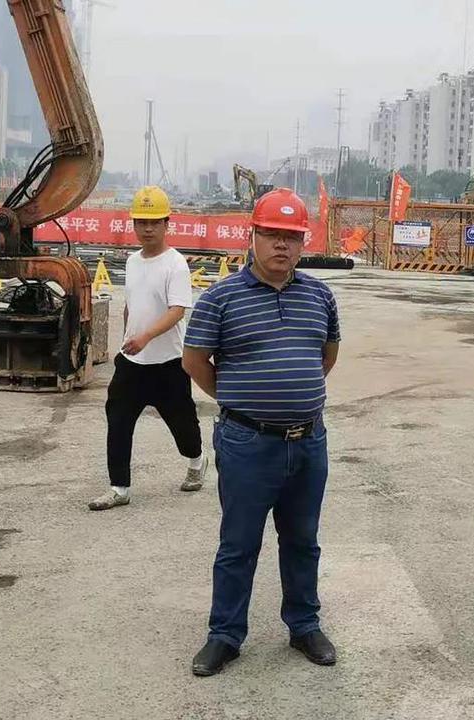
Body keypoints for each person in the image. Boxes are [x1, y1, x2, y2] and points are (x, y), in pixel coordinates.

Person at [183, 188, 341, 677]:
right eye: (272, 234)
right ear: (252, 236)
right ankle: (225, 635)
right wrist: (242, 400)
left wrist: (292, 392)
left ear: (303, 242)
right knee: (238, 543)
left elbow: (327, 355)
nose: (282, 245)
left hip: (308, 442)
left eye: (292, 237)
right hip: (247, 444)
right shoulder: (220, 298)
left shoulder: (320, 295)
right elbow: (195, 362)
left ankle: (304, 626)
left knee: (303, 540)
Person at [88, 186, 206, 511]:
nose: (148, 229)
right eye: (141, 222)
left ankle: (197, 461)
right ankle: (119, 488)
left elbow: (177, 310)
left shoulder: (175, 264)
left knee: (182, 424)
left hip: (169, 363)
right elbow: (132, 304)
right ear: (134, 225)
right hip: (132, 363)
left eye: (154, 222)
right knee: (118, 418)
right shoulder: (132, 262)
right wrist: (129, 338)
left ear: (167, 224)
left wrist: (146, 337)